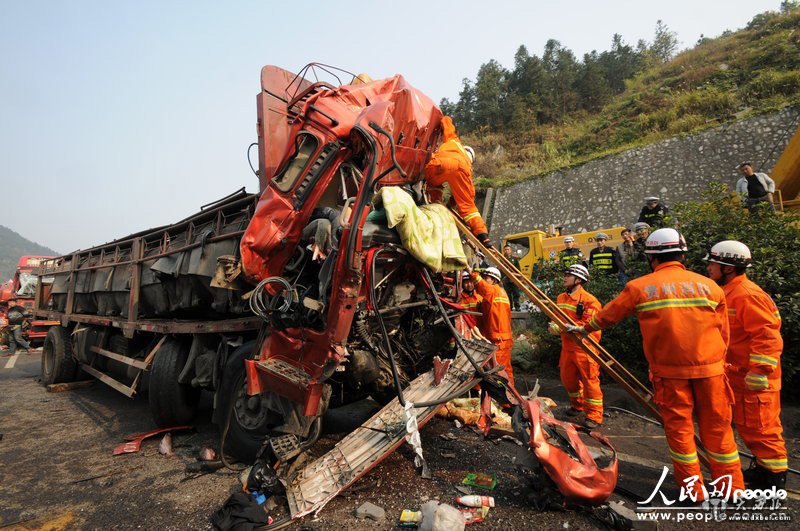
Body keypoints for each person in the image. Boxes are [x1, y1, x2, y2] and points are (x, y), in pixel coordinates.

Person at [570, 228, 745, 499]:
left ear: (651, 257)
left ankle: (693, 492)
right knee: (719, 430)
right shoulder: (711, 287)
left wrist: (585, 328)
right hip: (711, 372)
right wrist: (718, 363)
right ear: (682, 255)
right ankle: (732, 489)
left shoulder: (640, 287)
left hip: (670, 374)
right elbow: (724, 333)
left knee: (680, 431)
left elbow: (608, 315)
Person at [704, 240, 786, 490]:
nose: (709, 268)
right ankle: (763, 471)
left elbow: (767, 335)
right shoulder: (730, 292)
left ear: (728, 268)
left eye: (713, 264)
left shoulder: (747, 295)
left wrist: (760, 371)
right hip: (739, 375)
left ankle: (773, 482)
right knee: (750, 429)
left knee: (762, 430)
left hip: (755, 379)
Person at [548, 264, 604, 429]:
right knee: (568, 379)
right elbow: (556, 317)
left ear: (578, 280)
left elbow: (588, 325)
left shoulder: (590, 301)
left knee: (590, 382)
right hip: (568, 347)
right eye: (565, 274)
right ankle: (577, 406)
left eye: (568, 275)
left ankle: (594, 416)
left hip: (585, 348)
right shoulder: (561, 298)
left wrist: (563, 328)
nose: (564, 277)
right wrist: (553, 326)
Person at [425, 116, 491, 247]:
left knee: (432, 181)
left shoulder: (454, 141)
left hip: (441, 162)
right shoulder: (468, 166)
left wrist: (444, 119)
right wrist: (450, 205)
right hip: (462, 168)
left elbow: (447, 124)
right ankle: (483, 235)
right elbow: (462, 195)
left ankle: (435, 202)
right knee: (468, 206)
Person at [472, 267, 514, 387]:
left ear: (494, 280)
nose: (484, 281)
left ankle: (507, 396)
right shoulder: (497, 293)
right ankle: (506, 395)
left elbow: (482, 286)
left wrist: (472, 273)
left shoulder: (494, 291)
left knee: (499, 372)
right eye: (484, 278)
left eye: (487, 278)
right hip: (498, 339)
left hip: (499, 340)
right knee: (499, 371)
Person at [502, 244, 521, 311]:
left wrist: (518, 277)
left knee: (516, 293)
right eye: (505, 249)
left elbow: (518, 269)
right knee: (508, 293)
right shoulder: (502, 259)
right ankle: (510, 306)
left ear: (511, 250)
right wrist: (502, 278)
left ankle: (517, 306)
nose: (506, 251)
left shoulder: (514, 259)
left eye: (508, 249)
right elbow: (501, 269)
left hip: (514, 278)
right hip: (506, 279)